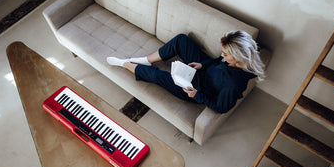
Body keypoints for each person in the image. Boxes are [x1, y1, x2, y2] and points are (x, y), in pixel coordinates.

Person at [106, 31, 265, 113]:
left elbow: (221, 107)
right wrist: (202, 65)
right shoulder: (234, 59)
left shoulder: (234, 84)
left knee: (158, 76)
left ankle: (124, 63)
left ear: (238, 56)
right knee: (181, 40)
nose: (222, 55)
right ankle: (147, 59)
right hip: (203, 71)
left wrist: (197, 95)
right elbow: (218, 60)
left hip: (195, 88)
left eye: (226, 53)